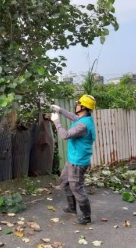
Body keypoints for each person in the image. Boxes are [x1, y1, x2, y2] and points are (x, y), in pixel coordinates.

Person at [50, 94, 96, 224]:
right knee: (64, 181)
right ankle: (71, 208)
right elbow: (73, 116)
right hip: (73, 158)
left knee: (76, 187)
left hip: (78, 162)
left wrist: (56, 121)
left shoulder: (83, 126)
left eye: (78, 104)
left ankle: (87, 217)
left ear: (84, 107)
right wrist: (59, 109)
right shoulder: (84, 118)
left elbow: (65, 135)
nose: (76, 105)